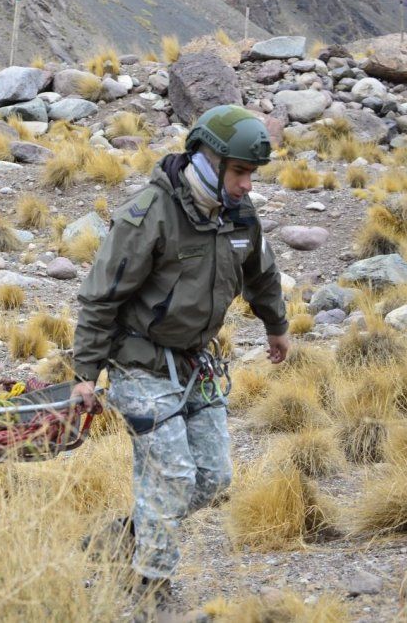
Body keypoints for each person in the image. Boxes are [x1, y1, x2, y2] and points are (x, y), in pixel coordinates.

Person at [70, 105, 290, 620]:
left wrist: (276, 325)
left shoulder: (239, 214)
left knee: (213, 479)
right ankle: (150, 585)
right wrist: (85, 375)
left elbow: (261, 272)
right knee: (172, 476)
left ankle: (126, 535)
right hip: (138, 364)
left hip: (197, 366)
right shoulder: (151, 213)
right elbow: (100, 296)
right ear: (206, 159)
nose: (246, 185)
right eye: (239, 172)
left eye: (251, 173)